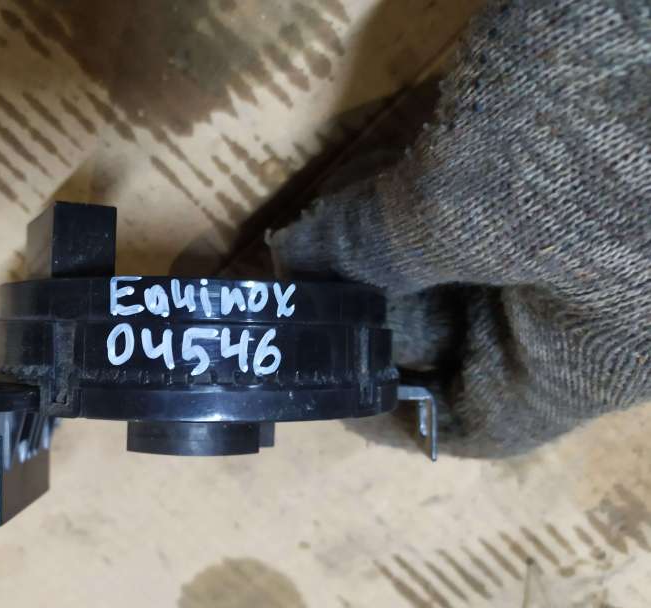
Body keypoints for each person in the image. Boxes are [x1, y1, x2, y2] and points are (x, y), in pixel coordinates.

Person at [269, 0, 650, 457]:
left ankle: (324, 292)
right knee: (358, 266)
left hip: (587, 62)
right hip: (593, 68)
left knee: (358, 261)